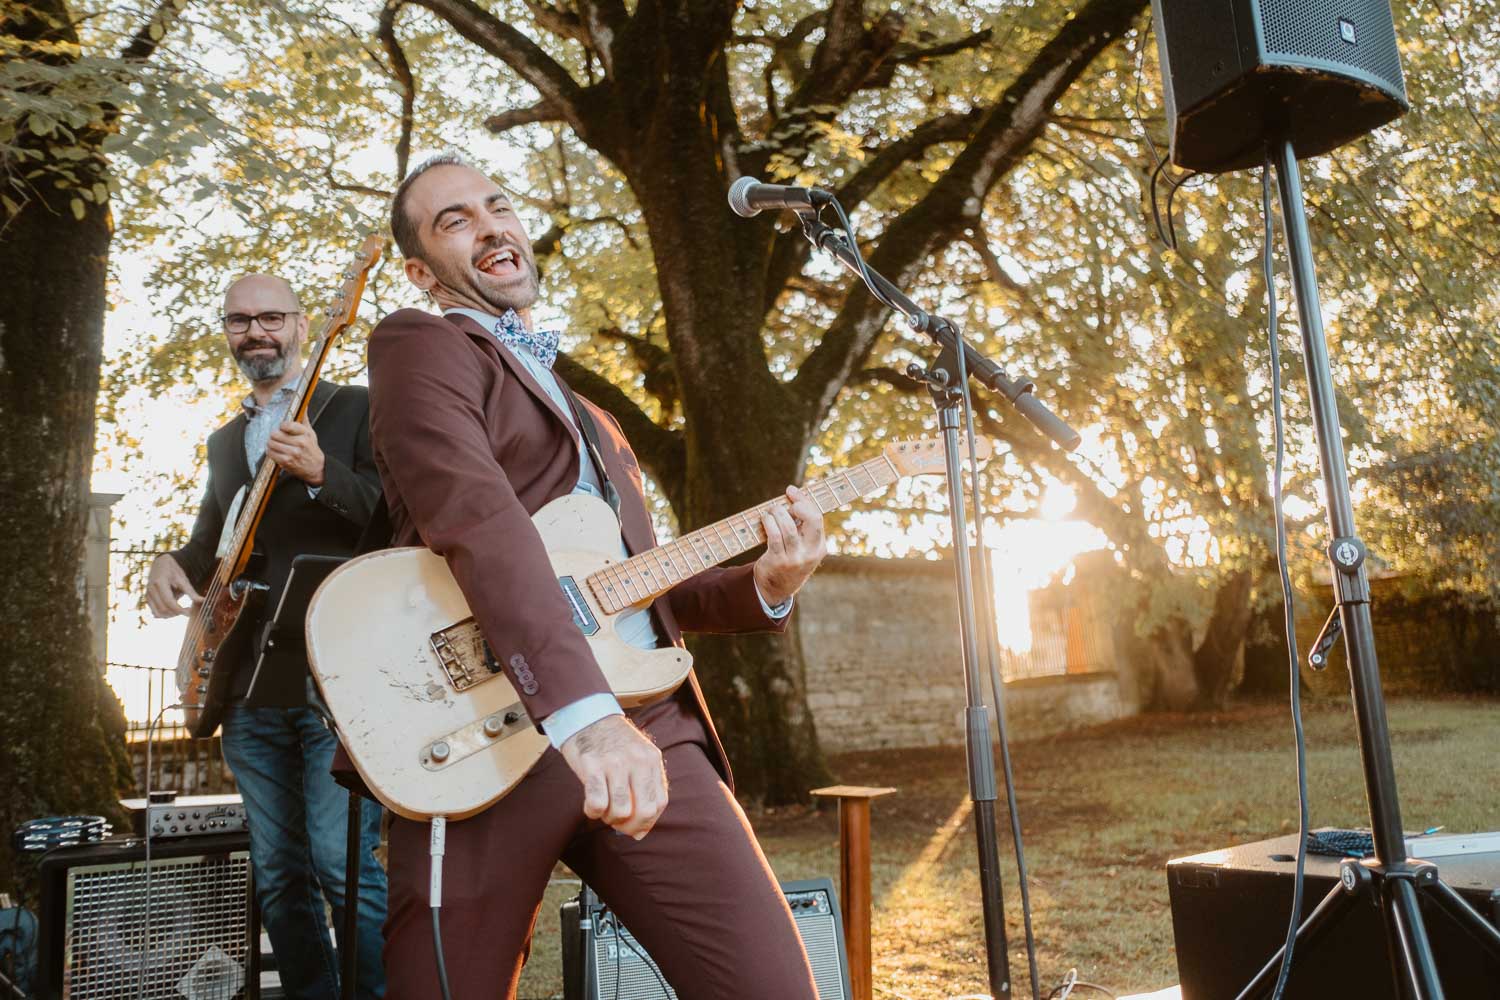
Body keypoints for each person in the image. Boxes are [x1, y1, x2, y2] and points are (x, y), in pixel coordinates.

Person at [356, 151, 827, 998]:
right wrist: (586, 720)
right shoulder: (417, 344)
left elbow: (635, 586)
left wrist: (768, 586)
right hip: (486, 731)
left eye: (497, 205)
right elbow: (479, 526)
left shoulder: (601, 421)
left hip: (653, 726)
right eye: (455, 219)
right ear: (422, 271)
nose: (490, 224)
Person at [145, 273, 387, 999]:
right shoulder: (226, 442)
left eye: (271, 317)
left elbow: (403, 521)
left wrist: (322, 472)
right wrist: (167, 563)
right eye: (239, 321)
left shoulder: (357, 410)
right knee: (278, 871)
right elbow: (210, 549)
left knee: (341, 862)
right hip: (244, 685)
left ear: (305, 325)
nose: (256, 332)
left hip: (337, 676)